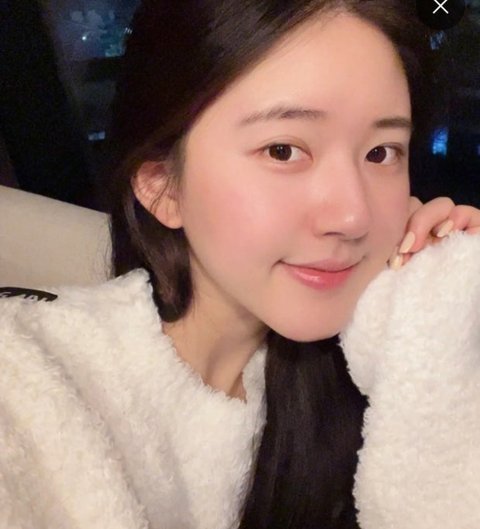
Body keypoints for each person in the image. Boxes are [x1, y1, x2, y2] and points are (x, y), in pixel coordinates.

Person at [1, 1, 480, 528]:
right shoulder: (28, 384)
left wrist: (438, 316)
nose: (352, 215)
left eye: (381, 153)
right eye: (283, 150)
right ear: (163, 187)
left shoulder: (361, 377)